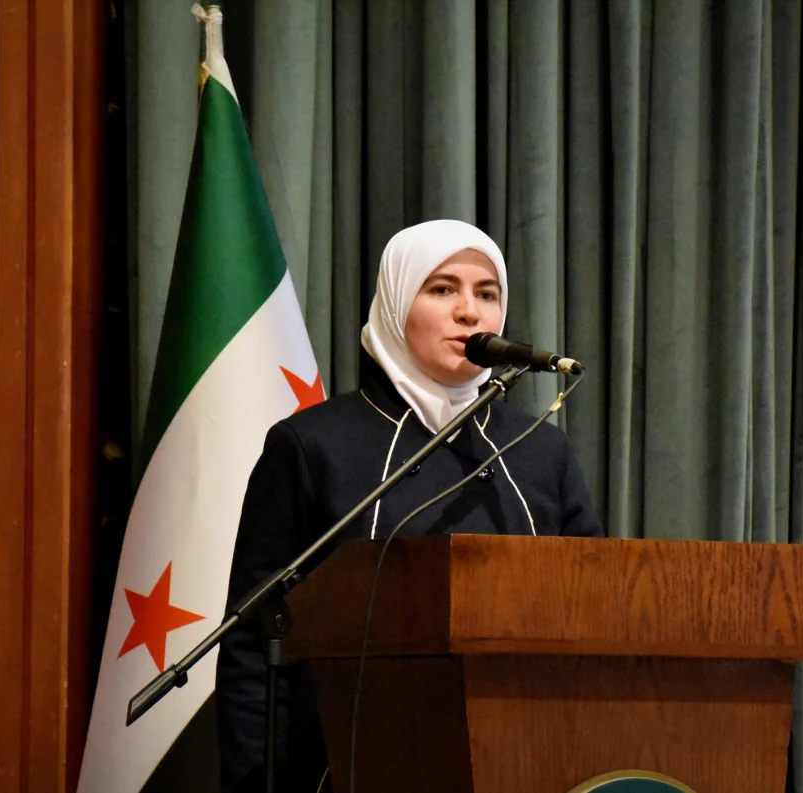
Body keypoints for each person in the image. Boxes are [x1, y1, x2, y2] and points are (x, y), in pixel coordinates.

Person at [214, 219, 604, 792]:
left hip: (521, 764)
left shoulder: (542, 452)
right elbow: (253, 645)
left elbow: (594, 617)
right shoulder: (313, 445)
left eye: (487, 294)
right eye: (443, 289)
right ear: (397, 305)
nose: (469, 312)